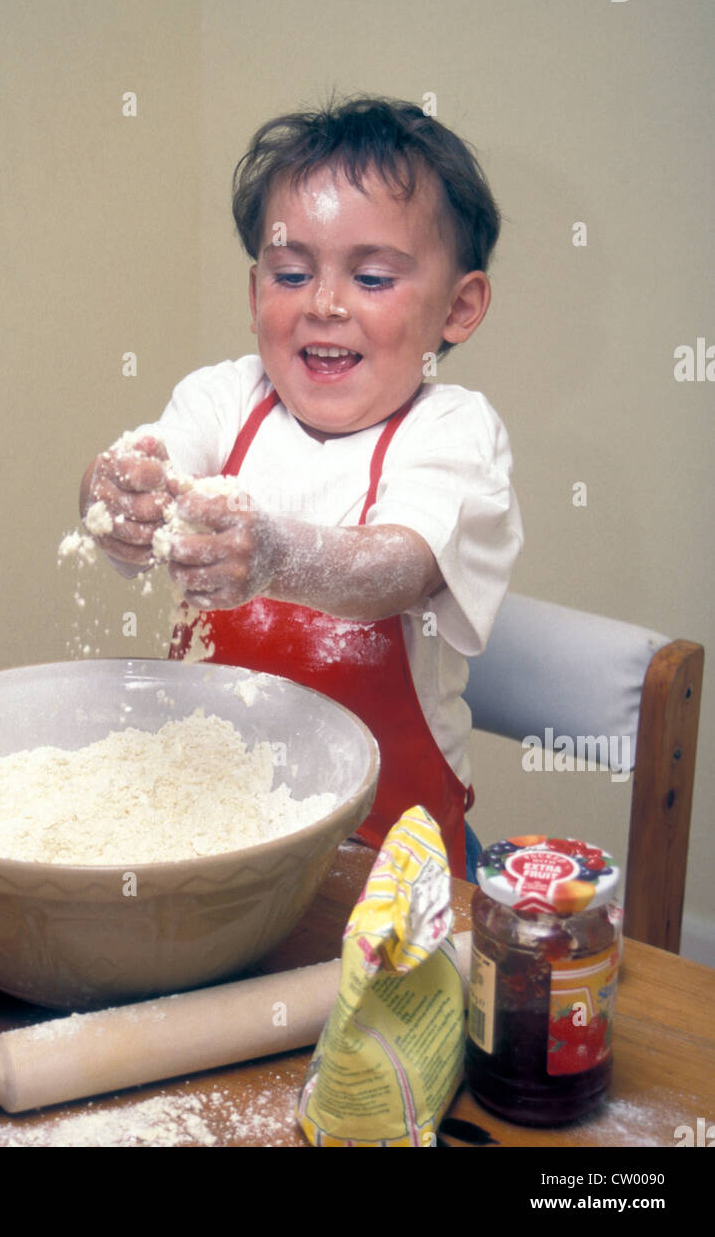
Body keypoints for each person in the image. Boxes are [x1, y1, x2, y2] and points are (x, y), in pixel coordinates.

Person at [80, 95, 523, 881]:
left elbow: (399, 566)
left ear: (459, 308)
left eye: (374, 276)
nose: (323, 304)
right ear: (256, 295)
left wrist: (277, 555)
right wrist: (115, 496)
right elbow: (147, 458)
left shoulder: (451, 432)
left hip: (388, 857)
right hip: (214, 824)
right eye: (291, 272)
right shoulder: (225, 397)